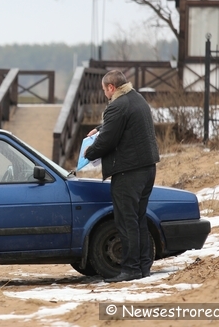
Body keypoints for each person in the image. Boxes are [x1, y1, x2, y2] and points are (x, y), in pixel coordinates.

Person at [84, 70, 160, 283]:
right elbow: (122, 124)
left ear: (111, 87)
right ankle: (143, 266)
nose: (105, 95)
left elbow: (107, 140)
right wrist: (99, 128)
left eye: (104, 90)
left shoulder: (117, 105)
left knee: (126, 221)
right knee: (138, 218)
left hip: (128, 172)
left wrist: (88, 153)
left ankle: (130, 269)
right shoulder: (137, 99)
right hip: (147, 168)